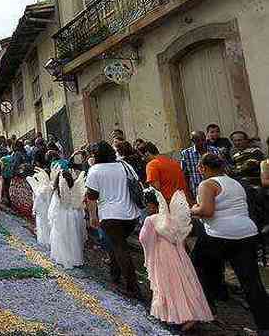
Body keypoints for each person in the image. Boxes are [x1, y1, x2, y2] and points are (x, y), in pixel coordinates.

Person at [190, 153, 269, 333]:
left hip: (219, 234)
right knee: (251, 281)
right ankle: (264, 325)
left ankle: (206, 309)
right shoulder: (235, 182)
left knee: (196, 267)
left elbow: (207, 211)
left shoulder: (207, 184)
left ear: (203, 168)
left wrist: (192, 209)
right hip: (247, 233)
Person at [139, 189, 213, 331]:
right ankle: (192, 313)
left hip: (162, 255)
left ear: (151, 205)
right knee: (184, 283)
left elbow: (143, 238)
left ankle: (177, 316)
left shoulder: (151, 219)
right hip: (179, 254)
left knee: (167, 284)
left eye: (147, 205)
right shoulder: (171, 218)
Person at [85, 141, 142, 298]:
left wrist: (93, 216)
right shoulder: (125, 165)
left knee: (120, 248)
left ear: (95, 156)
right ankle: (115, 274)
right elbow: (137, 183)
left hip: (110, 215)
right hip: (131, 214)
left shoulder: (95, 171)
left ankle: (133, 287)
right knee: (117, 245)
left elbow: (92, 197)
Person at [48, 169, 87, 269]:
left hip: (62, 216)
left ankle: (63, 257)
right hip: (74, 215)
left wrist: (52, 219)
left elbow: (54, 208)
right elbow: (80, 204)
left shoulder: (57, 192)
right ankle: (75, 258)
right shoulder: (76, 188)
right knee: (74, 237)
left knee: (63, 238)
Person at [181, 131, 223, 199]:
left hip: (215, 186)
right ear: (192, 141)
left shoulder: (215, 151)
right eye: (197, 140)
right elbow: (185, 174)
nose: (201, 142)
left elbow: (221, 169)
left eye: (203, 140)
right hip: (197, 189)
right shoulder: (186, 154)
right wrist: (188, 192)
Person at [9, 141, 34, 220]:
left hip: (18, 177)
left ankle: (21, 211)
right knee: (26, 194)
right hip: (26, 177)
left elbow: (14, 166)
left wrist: (12, 173)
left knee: (17, 194)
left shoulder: (17, 154)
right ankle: (27, 210)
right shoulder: (25, 153)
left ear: (16, 147)